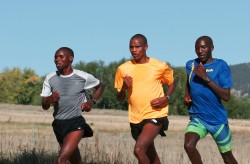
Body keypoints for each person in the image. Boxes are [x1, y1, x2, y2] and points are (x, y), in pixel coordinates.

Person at [114, 34, 175, 164]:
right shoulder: (123, 69)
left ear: (146, 47)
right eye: (131, 47)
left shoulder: (159, 66)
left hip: (155, 114)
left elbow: (171, 83)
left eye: (137, 47)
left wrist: (166, 98)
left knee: (139, 150)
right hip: (135, 118)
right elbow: (119, 98)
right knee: (152, 157)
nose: (134, 50)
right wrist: (124, 88)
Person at [41, 47, 105, 164]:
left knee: (61, 160)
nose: (57, 60)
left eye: (61, 57)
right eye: (55, 57)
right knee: (76, 161)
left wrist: (91, 102)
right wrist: (49, 100)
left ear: (71, 58)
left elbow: (101, 86)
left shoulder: (82, 76)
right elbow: (44, 105)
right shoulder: (50, 78)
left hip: (75, 123)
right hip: (58, 124)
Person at [183, 36, 238, 164]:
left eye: (203, 47)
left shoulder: (221, 66)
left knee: (228, 158)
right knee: (189, 146)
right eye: (197, 48)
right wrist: (187, 95)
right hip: (198, 117)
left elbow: (226, 96)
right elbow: (188, 81)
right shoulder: (191, 65)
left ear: (212, 48)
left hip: (217, 121)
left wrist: (205, 77)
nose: (200, 50)